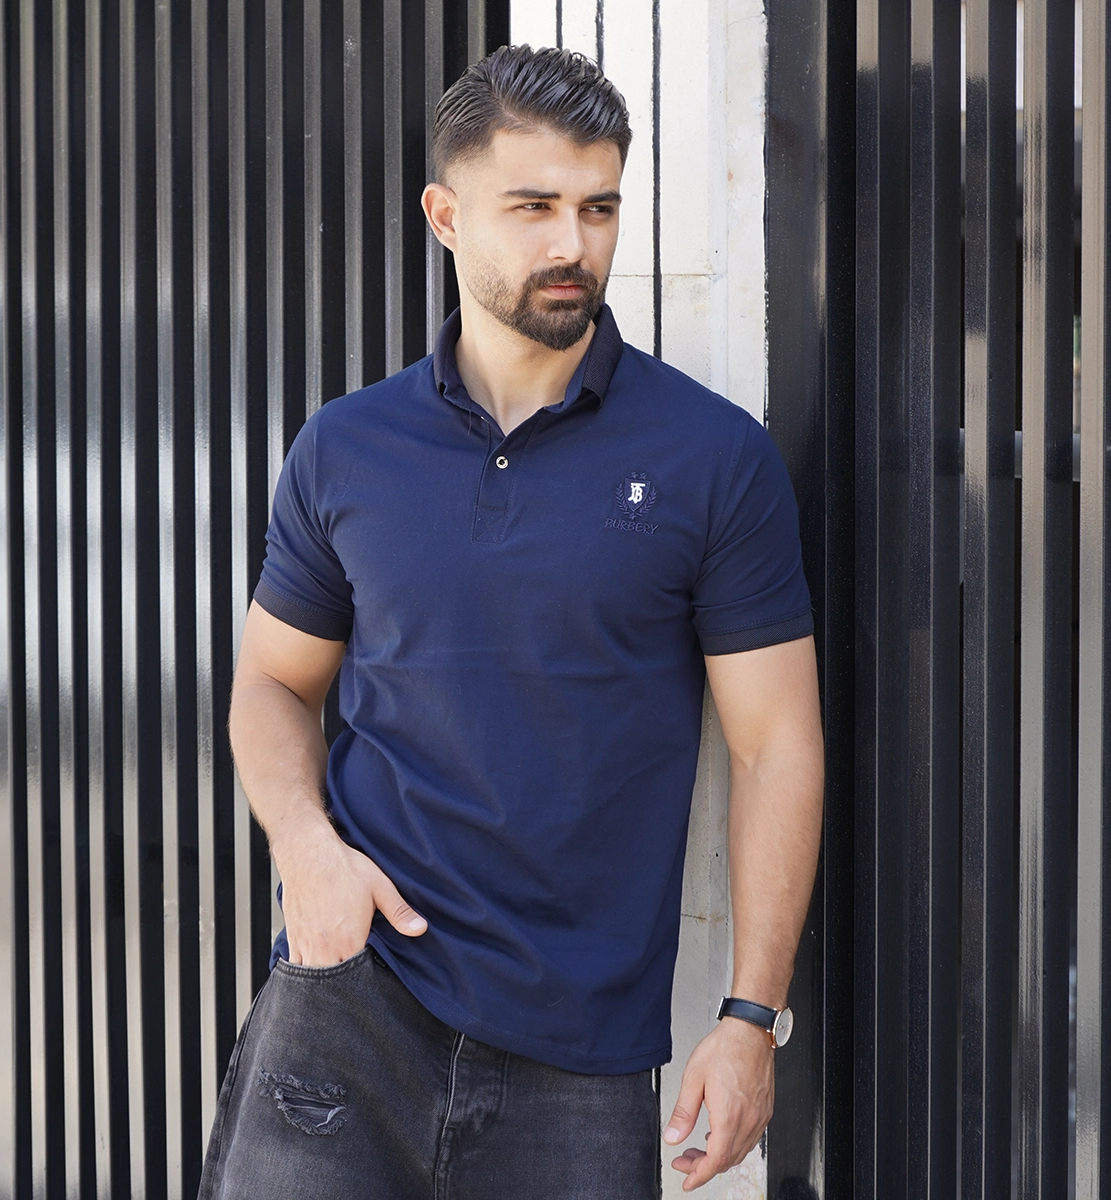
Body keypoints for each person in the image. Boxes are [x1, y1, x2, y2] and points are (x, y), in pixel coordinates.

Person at [198, 44, 823, 1200]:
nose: (572, 244)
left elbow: (774, 743)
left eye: (599, 208)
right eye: (533, 207)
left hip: (578, 1054)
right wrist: (306, 850)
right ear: (445, 215)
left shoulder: (713, 458)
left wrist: (752, 1017)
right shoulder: (346, 447)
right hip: (349, 1002)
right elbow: (273, 683)